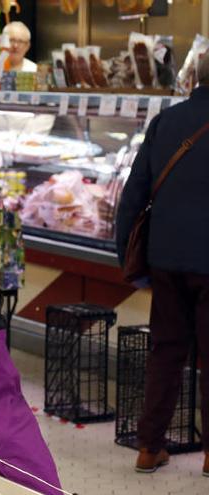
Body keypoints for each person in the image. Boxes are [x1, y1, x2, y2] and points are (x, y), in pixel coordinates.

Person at [115, 57, 209, 477]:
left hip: (167, 257)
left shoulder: (165, 122)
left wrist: (128, 259)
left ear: (193, 78)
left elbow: (133, 194)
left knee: (165, 352)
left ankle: (150, 446)